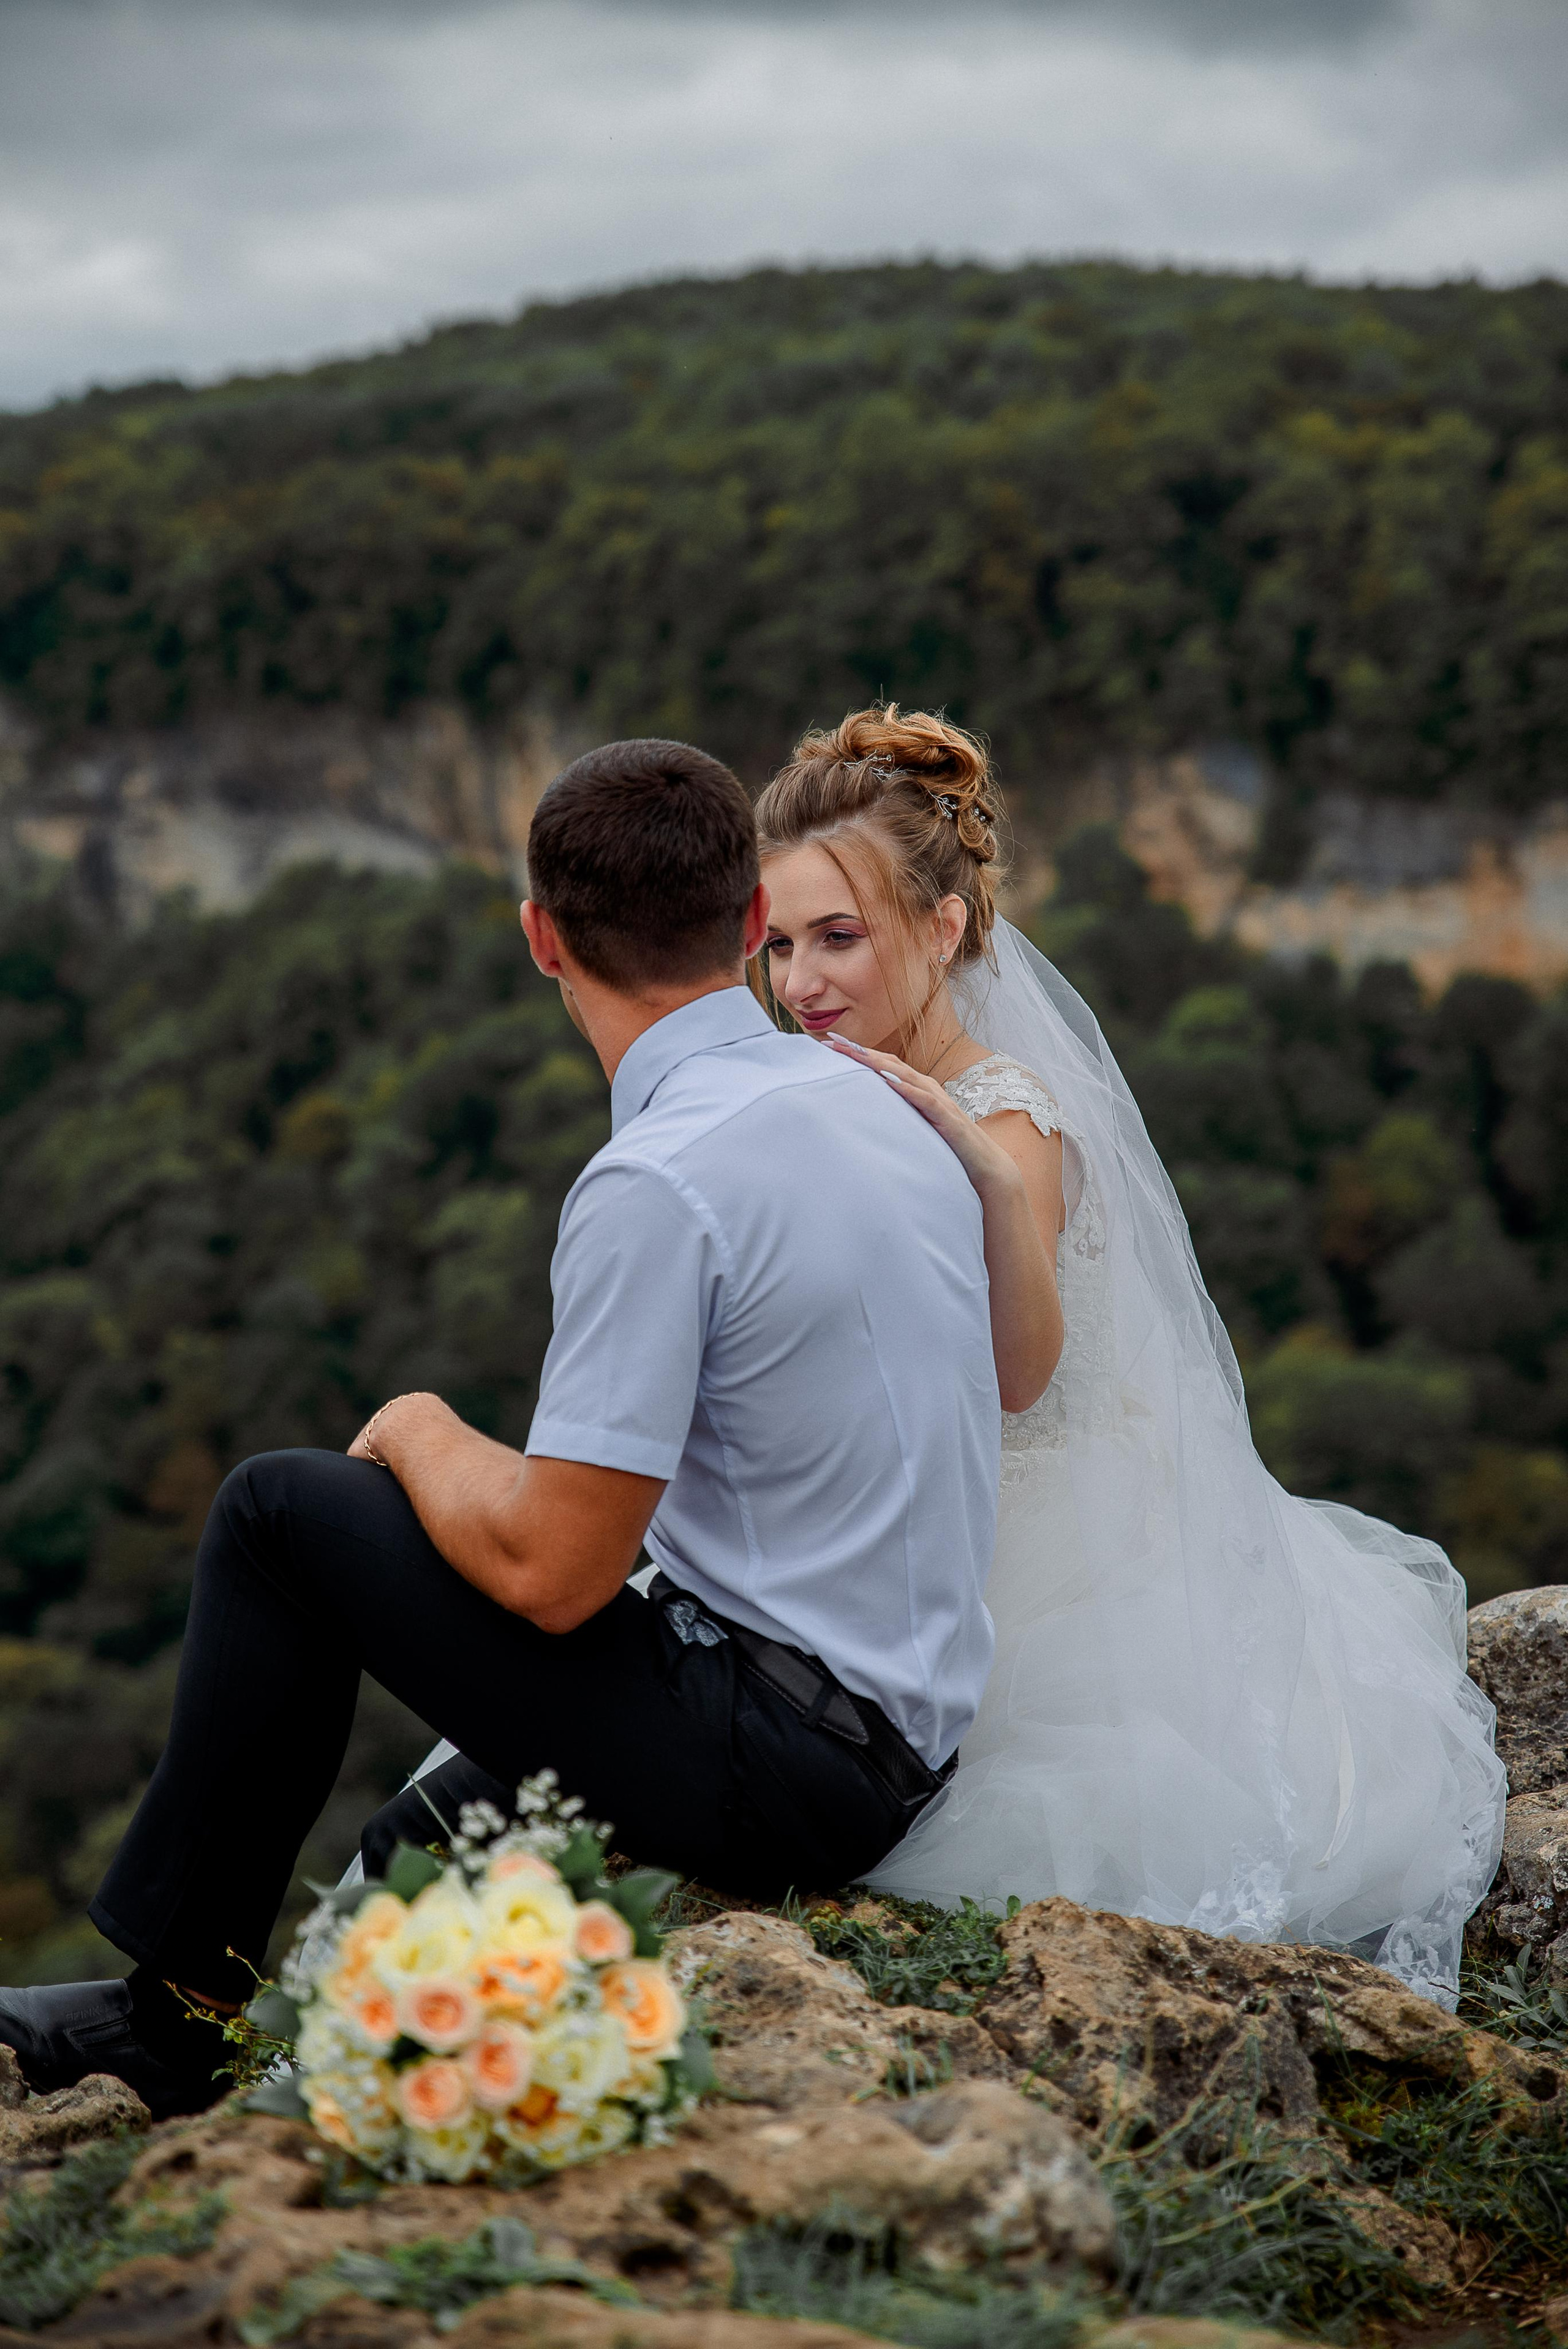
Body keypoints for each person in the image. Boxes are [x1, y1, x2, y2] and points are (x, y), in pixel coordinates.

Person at [0, 738, 1001, 2117]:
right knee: (418, 1841)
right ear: (748, 922)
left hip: (792, 1759)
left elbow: (556, 1572)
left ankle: (170, 2022)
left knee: (279, 1514)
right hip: (897, 1726)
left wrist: (420, 1431)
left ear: (541, 939)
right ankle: (287, 2041)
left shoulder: (659, 1178)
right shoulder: (867, 1096)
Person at [752, 703, 1507, 2009]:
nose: (800, 982)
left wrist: (987, 1185)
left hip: (1041, 1536)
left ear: (941, 929)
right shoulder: (834, 1085)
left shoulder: (1009, 1121)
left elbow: (1016, 1378)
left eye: (838, 937)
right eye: (776, 943)